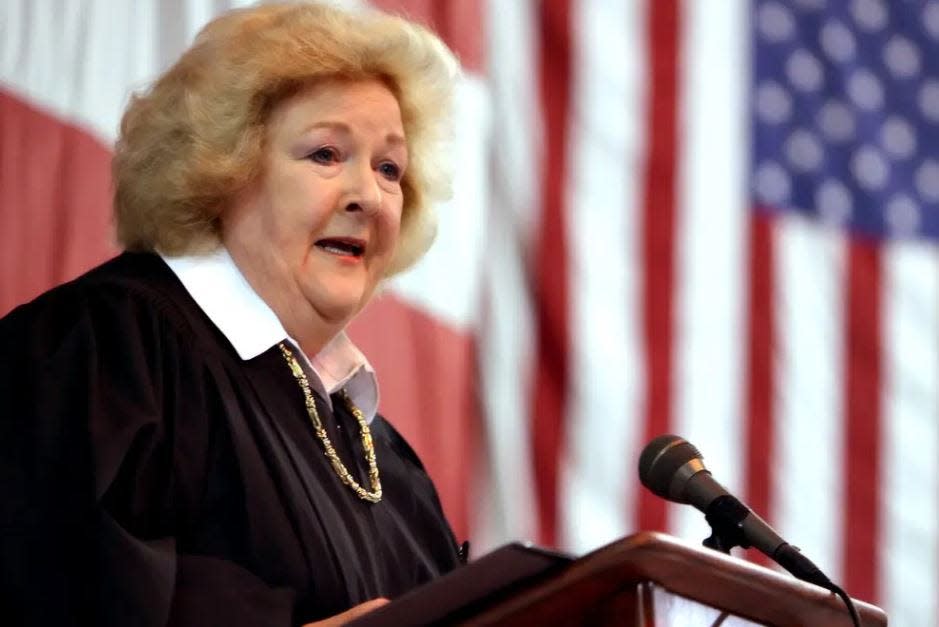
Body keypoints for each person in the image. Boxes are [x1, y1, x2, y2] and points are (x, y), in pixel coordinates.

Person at [0, 2, 462, 625]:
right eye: (326, 153)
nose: (369, 198)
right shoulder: (111, 350)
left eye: (389, 169)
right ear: (223, 168)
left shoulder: (393, 468)